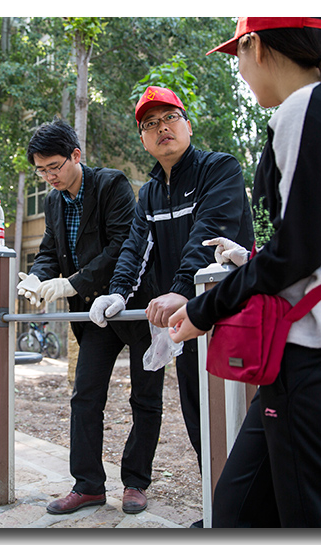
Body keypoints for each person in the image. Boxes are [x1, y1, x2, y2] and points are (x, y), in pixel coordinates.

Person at [168, 18, 321, 527]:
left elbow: (297, 250)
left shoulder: (307, 108)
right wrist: (252, 259)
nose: (239, 70)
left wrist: (204, 310)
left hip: (320, 358)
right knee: (236, 513)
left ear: (254, 45)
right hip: (315, 360)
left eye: (237, 55)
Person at [89, 85, 254, 527]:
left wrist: (182, 288)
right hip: (189, 325)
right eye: (150, 124)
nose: (162, 128)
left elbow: (210, 229)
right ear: (143, 140)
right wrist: (118, 293)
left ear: (188, 125)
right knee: (202, 421)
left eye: (170, 118)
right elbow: (135, 248)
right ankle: (221, 515)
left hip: (233, 317)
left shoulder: (219, 169)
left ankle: (249, 520)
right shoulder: (149, 195)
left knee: (240, 419)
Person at [16, 119, 163, 516]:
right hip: (94, 314)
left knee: (145, 397)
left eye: (55, 167)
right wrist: (38, 276)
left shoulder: (111, 184)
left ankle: (135, 482)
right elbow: (49, 250)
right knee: (85, 396)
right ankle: (88, 485)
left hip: (134, 304)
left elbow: (122, 245)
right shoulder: (53, 201)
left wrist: (72, 283)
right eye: (41, 171)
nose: (49, 177)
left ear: (76, 155)